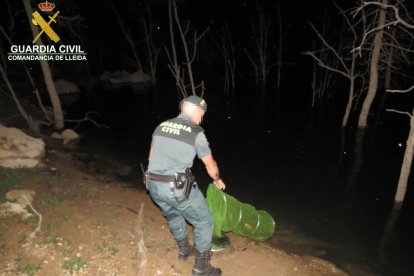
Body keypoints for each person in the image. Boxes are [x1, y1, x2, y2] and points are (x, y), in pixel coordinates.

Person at [147, 95, 225, 276]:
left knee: (174, 214)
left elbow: (151, 157)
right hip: (176, 187)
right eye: (202, 114)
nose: (202, 118)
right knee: (204, 221)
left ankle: (184, 250)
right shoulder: (196, 132)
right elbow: (210, 165)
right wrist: (217, 179)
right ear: (196, 110)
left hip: (153, 184)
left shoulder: (161, 126)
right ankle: (201, 268)